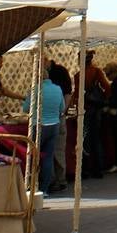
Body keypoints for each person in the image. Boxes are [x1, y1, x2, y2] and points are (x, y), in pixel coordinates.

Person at [22, 61, 65, 196]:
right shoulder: (58, 89)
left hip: (38, 126)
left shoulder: (35, 89)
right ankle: (45, 189)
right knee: (48, 157)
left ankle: (32, 186)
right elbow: (62, 109)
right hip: (54, 126)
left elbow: (26, 108)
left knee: (34, 156)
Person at [47, 61, 74, 194]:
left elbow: (26, 107)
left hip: (48, 121)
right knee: (57, 150)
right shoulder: (57, 89)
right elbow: (68, 93)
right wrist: (63, 111)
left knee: (49, 152)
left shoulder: (39, 88)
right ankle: (58, 180)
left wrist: (62, 111)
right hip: (57, 118)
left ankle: (53, 180)